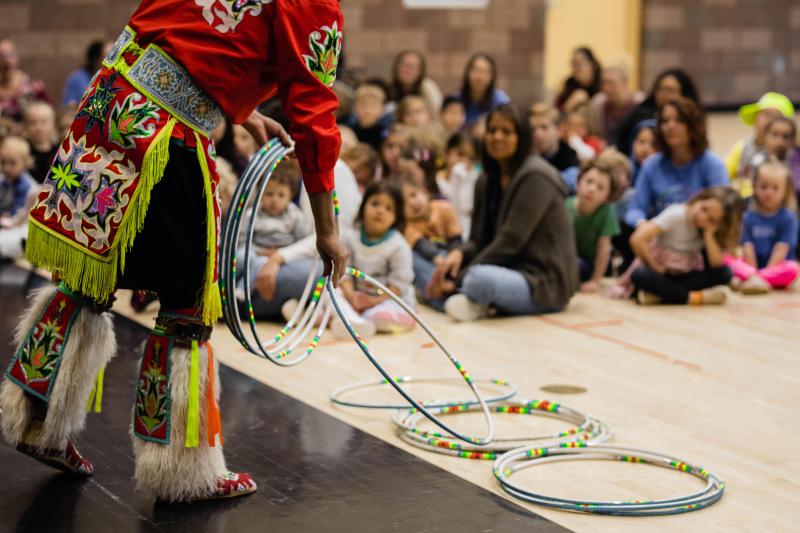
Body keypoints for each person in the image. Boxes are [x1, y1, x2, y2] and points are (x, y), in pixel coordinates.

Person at [0, 0, 348, 503]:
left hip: (113, 99)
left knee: (93, 274)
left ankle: (34, 418)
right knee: (187, 304)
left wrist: (241, 110)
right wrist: (327, 227)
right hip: (169, 130)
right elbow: (314, 112)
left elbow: (194, 28)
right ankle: (182, 471)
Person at [428, 104, 578, 321]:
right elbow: (479, 241)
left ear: (521, 137)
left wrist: (460, 277)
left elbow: (510, 241)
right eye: (492, 131)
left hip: (541, 282)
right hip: (505, 267)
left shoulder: (536, 176)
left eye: (506, 132)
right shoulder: (486, 179)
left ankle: (466, 295)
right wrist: (457, 255)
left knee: (478, 278)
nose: (497, 137)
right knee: (437, 262)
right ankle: (469, 298)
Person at [629, 186, 742, 305]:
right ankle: (693, 298)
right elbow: (637, 239)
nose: (702, 217)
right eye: (704, 209)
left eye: (711, 220)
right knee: (639, 274)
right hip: (662, 273)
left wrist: (709, 234)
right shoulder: (676, 214)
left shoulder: (705, 230)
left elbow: (716, 265)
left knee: (725, 273)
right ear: (700, 198)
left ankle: (661, 296)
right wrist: (654, 266)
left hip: (684, 274)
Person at [625, 98, 728, 228]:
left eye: (679, 120)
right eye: (665, 121)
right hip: (660, 238)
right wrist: (643, 225)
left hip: (701, 238)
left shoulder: (713, 165)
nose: (670, 126)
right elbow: (635, 209)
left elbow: (723, 211)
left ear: (693, 127)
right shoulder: (651, 165)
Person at [333, 181, 415, 337]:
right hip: (356, 298)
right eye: (375, 204)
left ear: (396, 218)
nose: (380, 211)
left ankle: (351, 319)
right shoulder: (351, 237)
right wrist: (351, 296)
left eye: (388, 208)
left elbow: (398, 285)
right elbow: (345, 272)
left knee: (379, 315)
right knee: (328, 289)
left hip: (387, 300)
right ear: (363, 206)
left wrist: (372, 302)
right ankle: (352, 318)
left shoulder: (398, 246)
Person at [725, 159, 798, 294]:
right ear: (754, 186)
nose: (769, 193)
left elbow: (781, 250)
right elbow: (747, 247)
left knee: (793, 269)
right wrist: (752, 271)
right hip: (751, 266)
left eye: (775, 188)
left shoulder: (788, 218)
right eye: (764, 187)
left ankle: (751, 281)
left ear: (785, 191)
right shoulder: (747, 217)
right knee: (727, 259)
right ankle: (753, 279)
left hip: (776, 267)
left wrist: (760, 276)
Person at [401, 179, 462, 308]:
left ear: (425, 192)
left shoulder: (444, 207)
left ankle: (458, 289)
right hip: (430, 262)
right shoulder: (407, 225)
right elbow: (420, 244)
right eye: (405, 203)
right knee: (412, 259)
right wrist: (436, 258)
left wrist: (451, 259)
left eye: (413, 195)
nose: (412, 203)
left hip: (451, 257)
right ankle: (441, 300)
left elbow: (456, 239)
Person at [615, 68, 700, 156]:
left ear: (683, 94)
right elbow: (621, 137)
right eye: (660, 88)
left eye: (669, 90)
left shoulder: (692, 118)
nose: (663, 93)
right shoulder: (642, 112)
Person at [725, 92, 795, 198]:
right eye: (766, 114)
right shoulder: (741, 148)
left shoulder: (789, 155)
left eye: (776, 117)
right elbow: (724, 176)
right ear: (755, 117)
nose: (770, 120)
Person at [566, 160, 621, 292]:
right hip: (566, 256)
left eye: (600, 187)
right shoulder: (565, 205)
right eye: (588, 181)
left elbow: (604, 248)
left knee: (575, 264)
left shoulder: (606, 211)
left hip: (589, 263)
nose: (591, 189)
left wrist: (595, 281)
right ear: (578, 183)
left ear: (607, 197)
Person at [248, 159, 310, 252]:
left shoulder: (295, 215)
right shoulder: (251, 215)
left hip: (286, 257)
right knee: (240, 256)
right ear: (260, 194)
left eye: (281, 195)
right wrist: (259, 251)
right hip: (258, 254)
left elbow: (303, 241)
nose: (274, 200)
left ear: (290, 196)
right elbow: (242, 241)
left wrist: (283, 255)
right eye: (269, 194)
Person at [586, 61, 644, 146]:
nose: (606, 88)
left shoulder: (640, 102)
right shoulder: (597, 104)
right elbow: (594, 134)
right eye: (603, 83)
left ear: (624, 83)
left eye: (611, 83)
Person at [436, 132, 480, 237]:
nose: (464, 162)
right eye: (460, 154)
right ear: (447, 153)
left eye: (471, 159)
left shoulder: (474, 179)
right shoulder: (434, 181)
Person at [0, 136, 37, 260]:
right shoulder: (4, 181)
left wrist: (8, 219)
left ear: (25, 163)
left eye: (12, 163)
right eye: (3, 162)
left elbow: (20, 212)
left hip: (20, 225)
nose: (6, 168)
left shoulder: (28, 187)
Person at [529, 103, 579, 188]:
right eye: (533, 129)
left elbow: (570, 184)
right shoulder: (526, 155)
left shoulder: (570, 157)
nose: (537, 134)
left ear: (559, 130)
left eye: (544, 127)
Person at [0, 39, 50, 124]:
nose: (7, 61)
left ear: (17, 58)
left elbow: (49, 115)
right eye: (1, 57)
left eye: (10, 55)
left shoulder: (34, 88)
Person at [452, 53, 510, 125]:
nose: (479, 76)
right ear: (468, 73)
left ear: (492, 76)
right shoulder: (455, 99)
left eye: (484, 71)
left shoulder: (501, 101)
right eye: (475, 70)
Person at [388, 50, 443, 116]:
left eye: (413, 67)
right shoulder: (387, 88)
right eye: (405, 65)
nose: (408, 70)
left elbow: (438, 112)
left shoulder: (427, 87)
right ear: (396, 67)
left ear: (421, 72)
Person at [554, 47, 602, 114]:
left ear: (593, 64)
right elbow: (556, 112)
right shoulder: (568, 85)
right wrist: (570, 104)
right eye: (573, 64)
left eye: (579, 64)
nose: (576, 69)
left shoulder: (603, 85)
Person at [346, 83, 392, 151]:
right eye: (363, 105)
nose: (368, 110)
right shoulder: (348, 131)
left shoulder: (387, 132)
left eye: (373, 106)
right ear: (354, 107)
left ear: (382, 108)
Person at [62, 41, 109, 106]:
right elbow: (70, 107)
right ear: (95, 59)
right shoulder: (77, 78)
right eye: (109, 57)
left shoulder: (115, 80)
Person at [22, 102, 59, 184]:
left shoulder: (60, 151)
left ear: (53, 124)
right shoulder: (22, 151)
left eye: (44, 122)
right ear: (25, 126)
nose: (38, 127)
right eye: (32, 122)